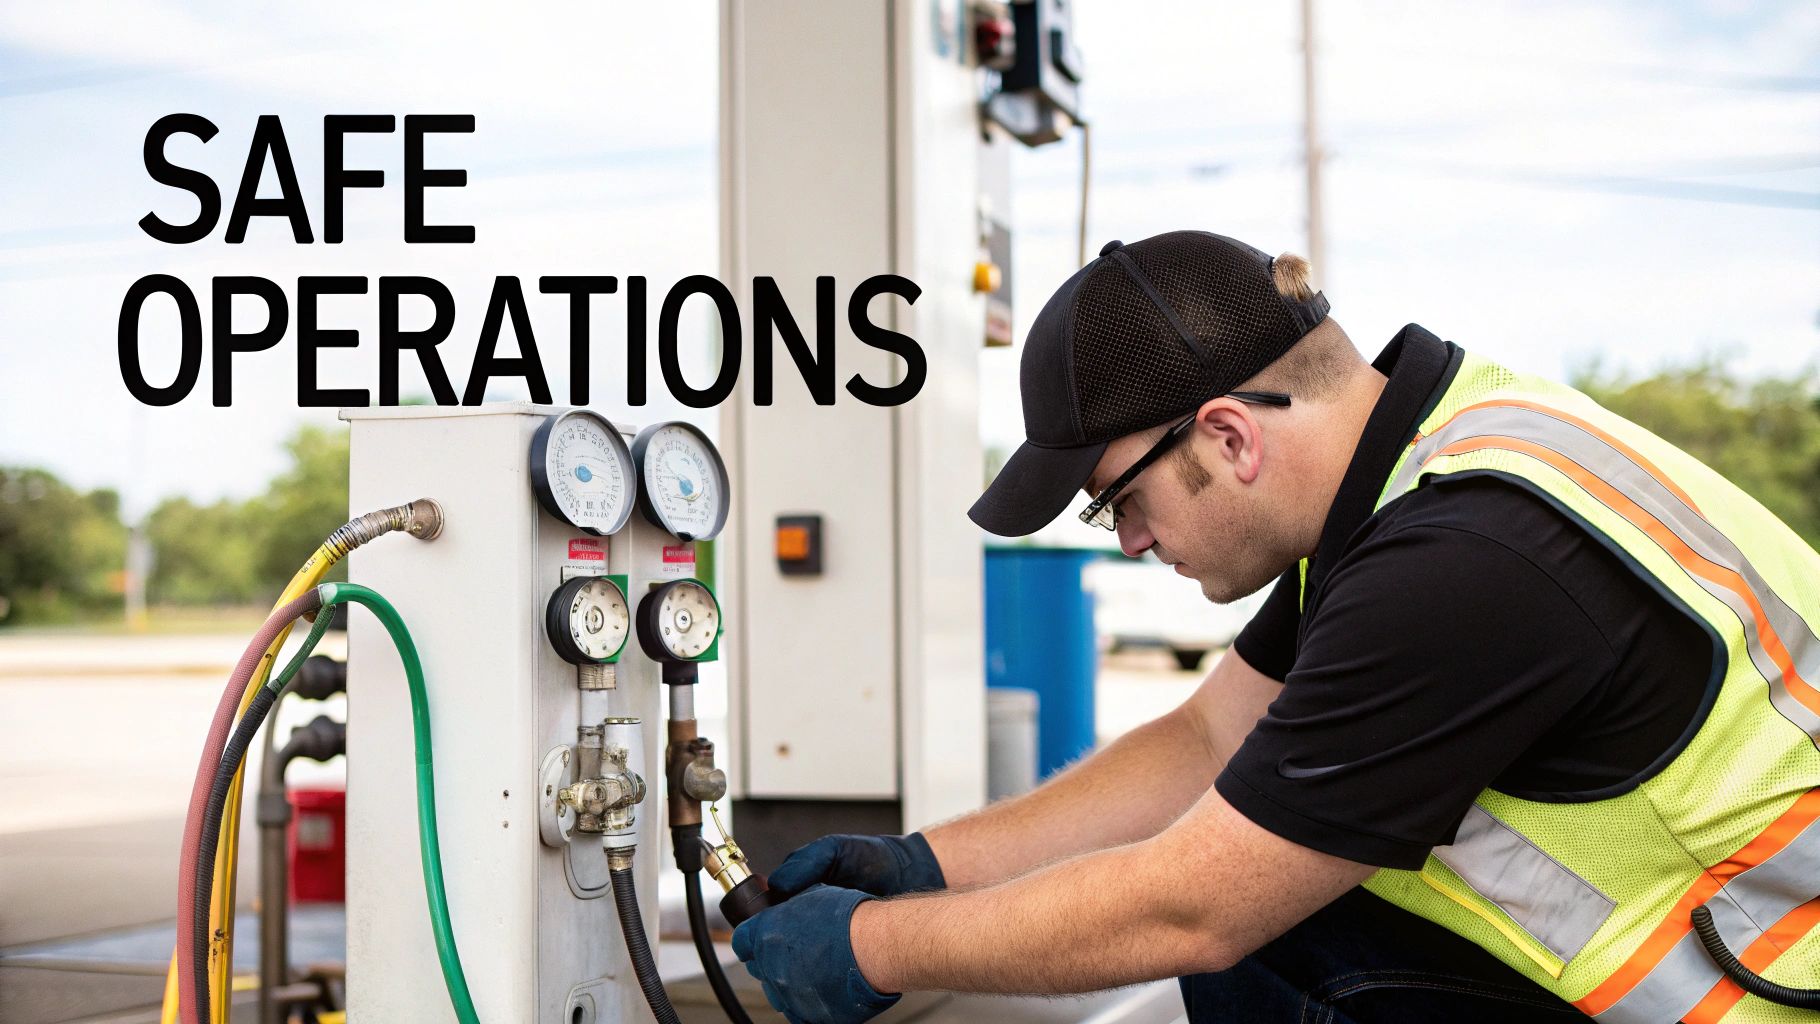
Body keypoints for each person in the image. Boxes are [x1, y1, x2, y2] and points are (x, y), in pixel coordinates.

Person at [731, 230, 1820, 1024]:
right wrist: (926, 865)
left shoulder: (1464, 564)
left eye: (1118, 499)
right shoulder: (1410, 473)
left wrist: (874, 947)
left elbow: (1188, 908)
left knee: (1255, 935)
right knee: (1275, 939)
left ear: (1226, 437)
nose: (1128, 543)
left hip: (1764, 998)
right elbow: (1206, 741)